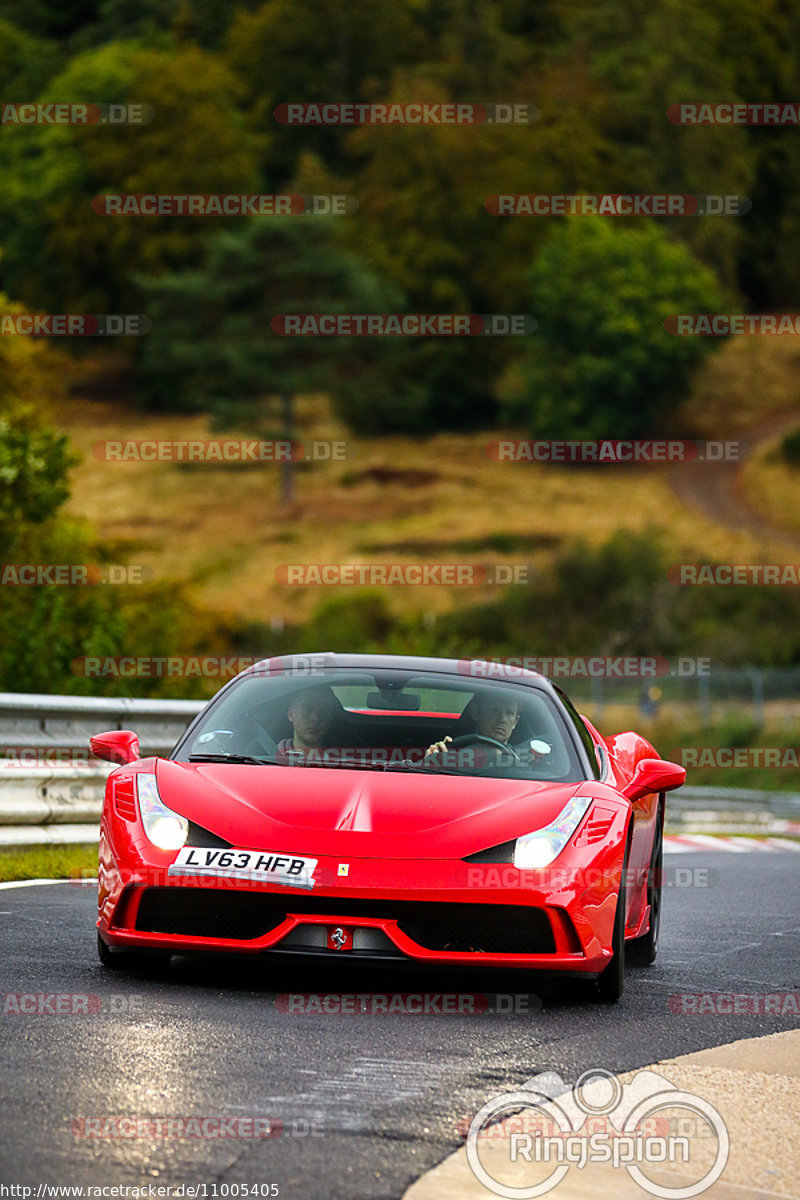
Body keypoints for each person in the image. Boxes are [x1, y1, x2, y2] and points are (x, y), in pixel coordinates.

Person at [425, 692, 521, 761]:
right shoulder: (450, 755)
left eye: (509, 713)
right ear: (476, 713)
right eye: (494, 710)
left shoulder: (525, 759)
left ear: (515, 722)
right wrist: (431, 760)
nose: (502, 719)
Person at [277, 685, 342, 754]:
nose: (315, 718)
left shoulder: (344, 761)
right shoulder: (269, 757)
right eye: (307, 710)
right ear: (291, 714)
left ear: (330, 720)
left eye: (323, 712)